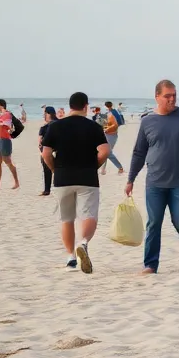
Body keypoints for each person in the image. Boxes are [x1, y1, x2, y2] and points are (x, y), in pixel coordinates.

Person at [125, 79, 179, 274]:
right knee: (153, 223)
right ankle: (150, 265)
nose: (172, 99)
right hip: (154, 182)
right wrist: (130, 179)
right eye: (167, 96)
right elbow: (139, 153)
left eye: (174, 95)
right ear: (157, 97)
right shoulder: (147, 121)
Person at [41, 92, 110, 273]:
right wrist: (94, 165)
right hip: (87, 177)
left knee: (66, 218)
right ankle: (84, 242)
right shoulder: (94, 127)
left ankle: (71, 258)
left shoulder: (55, 127)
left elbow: (45, 153)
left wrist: (55, 169)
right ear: (86, 106)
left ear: (70, 106)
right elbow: (105, 151)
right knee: (89, 214)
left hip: (63, 177)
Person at [99, 101, 125, 176]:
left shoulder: (112, 113)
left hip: (112, 135)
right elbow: (103, 123)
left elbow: (117, 124)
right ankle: (103, 170)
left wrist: (108, 129)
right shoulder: (109, 113)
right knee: (105, 152)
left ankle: (120, 168)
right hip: (107, 134)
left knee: (107, 153)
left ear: (106, 106)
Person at [37, 106, 58, 195]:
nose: (43, 116)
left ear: (47, 114)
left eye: (44, 114)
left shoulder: (44, 128)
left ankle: (47, 190)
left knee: (47, 170)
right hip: (60, 150)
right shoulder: (60, 124)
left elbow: (40, 142)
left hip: (47, 151)